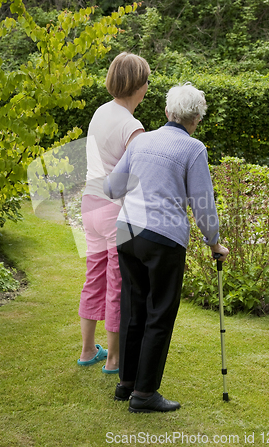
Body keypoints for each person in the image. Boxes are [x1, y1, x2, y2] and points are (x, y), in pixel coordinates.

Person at [103, 82, 229, 411]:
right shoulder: (193, 149)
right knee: (159, 313)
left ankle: (126, 383)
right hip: (163, 238)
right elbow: (203, 205)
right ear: (196, 119)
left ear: (166, 112)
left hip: (127, 231)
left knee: (133, 308)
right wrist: (214, 243)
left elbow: (112, 186)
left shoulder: (142, 140)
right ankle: (144, 394)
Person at [77, 52, 150, 373]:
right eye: (146, 80)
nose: (148, 86)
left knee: (94, 277)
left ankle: (87, 350)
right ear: (138, 86)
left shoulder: (100, 113)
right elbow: (141, 178)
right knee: (118, 283)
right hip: (113, 212)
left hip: (88, 207)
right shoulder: (133, 127)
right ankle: (114, 359)